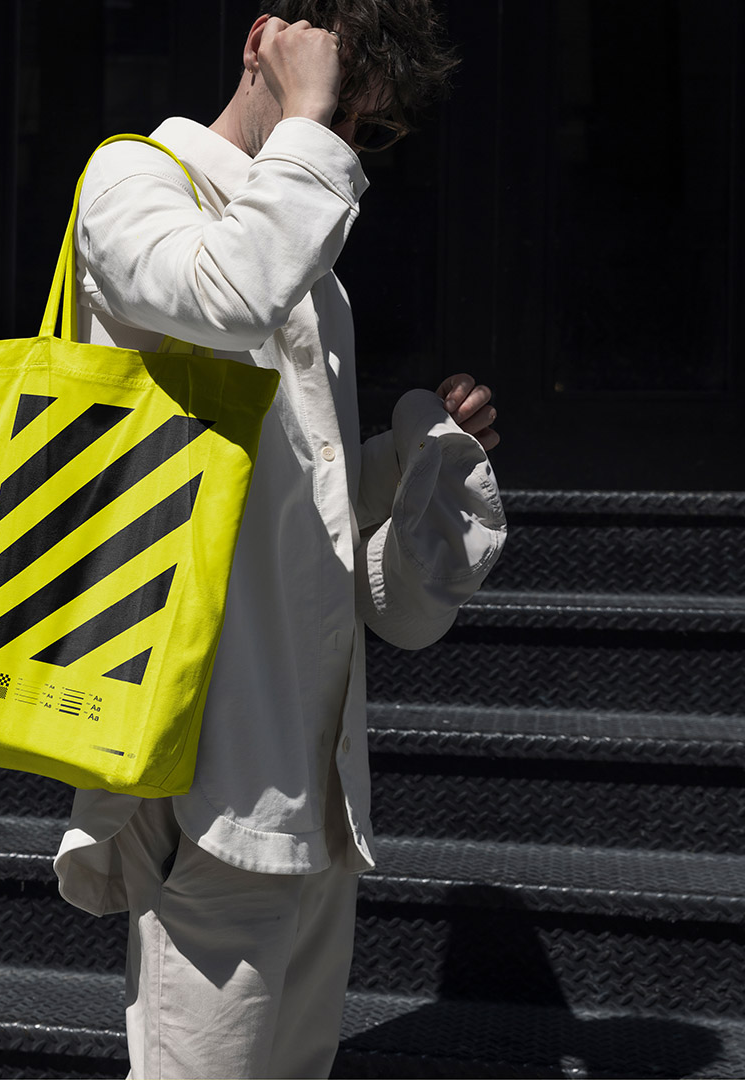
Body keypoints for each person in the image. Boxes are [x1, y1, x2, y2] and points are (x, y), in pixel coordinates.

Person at [54, 3, 506, 1076]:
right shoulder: (135, 181)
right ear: (267, 41)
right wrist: (307, 115)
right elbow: (225, 293)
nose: (345, 141)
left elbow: (294, 496)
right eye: (340, 105)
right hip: (207, 760)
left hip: (311, 771)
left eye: (369, 130)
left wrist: (413, 453)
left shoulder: (307, 253)